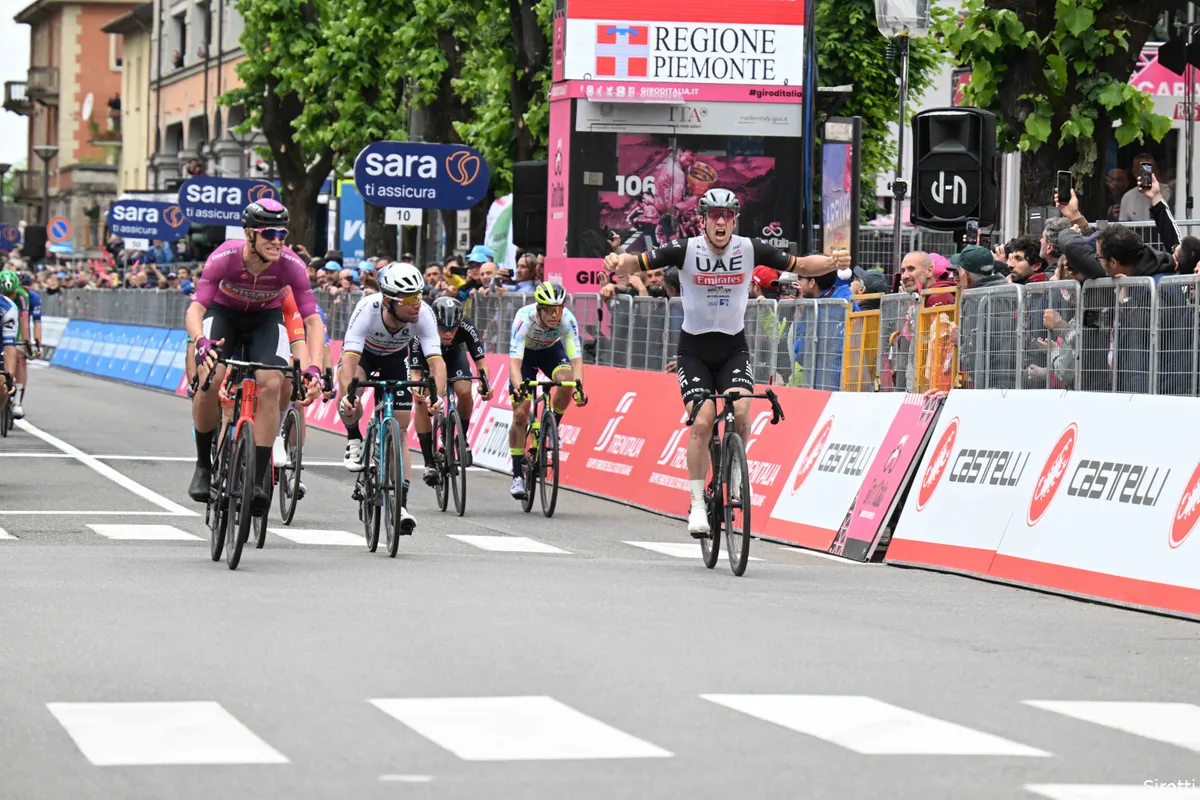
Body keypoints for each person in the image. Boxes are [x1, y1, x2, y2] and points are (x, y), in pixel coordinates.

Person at [603, 187, 849, 537]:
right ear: (703, 220)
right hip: (694, 351)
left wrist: (833, 261)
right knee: (702, 422)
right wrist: (617, 260)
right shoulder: (686, 249)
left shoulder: (749, 248)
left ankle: (734, 475)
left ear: (734, 220)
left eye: (727, 215)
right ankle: (698, 505)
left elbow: (801, 265)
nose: (721, 221)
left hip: (733, 346)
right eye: (714, 215)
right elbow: (635, 264)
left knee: (743, 412)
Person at [186, 200, 326, 512]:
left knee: (272, 383)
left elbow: (313, 321)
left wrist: (314, 368)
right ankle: (202, 466)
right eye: (269, 234)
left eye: (282, 234)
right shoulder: (224, 257)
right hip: (224, 315)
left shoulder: (290, 264)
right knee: (211, 378)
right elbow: (196, 308)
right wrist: (200, 341)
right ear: (250, 234)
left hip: (266, 319)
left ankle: (261, 476)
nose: (277, 240)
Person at [337, 263, 446, 534]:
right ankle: (353, 437)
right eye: (409, 299)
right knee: (350, 396)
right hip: (364, 356)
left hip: (396, 359)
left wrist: (438, 396)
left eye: (419, 296)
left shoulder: (424, 314)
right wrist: (349, 395)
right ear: (388, 301)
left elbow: (437, 363)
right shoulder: (367, 310)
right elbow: (348, 362)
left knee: (400, 428)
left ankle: (401, 505)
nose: (416, 305)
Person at [507, 281, 588, 500]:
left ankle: (552, 429)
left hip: (550, 352)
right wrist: (518, 389)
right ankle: (517, 476)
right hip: (525, 358)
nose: (555, 315)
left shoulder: (567, 320)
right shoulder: (524, 319)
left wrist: (579, 387)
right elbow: (514, 363)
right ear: (539, 309)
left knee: (567, 382)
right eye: (550, 310)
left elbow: (576, 359)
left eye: (559, 309)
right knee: (521, 413)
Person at [408, 296, 493, 486]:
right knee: (422, 401)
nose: (448, 334)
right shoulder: (421, 327)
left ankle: (460, 438)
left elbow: (481, 362)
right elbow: (414, 371)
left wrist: (485, 383)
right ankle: (429, 462)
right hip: (427, 360)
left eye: (453, 328)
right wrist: (416, 385)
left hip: (455, 358)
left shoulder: (466, 326)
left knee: (464, 389)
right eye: (443, 329)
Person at [0, 269, 33, 419]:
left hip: (4, 339)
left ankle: (16, 402)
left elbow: (9, 346)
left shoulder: (9, 307)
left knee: (3, 381)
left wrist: (9, 376)